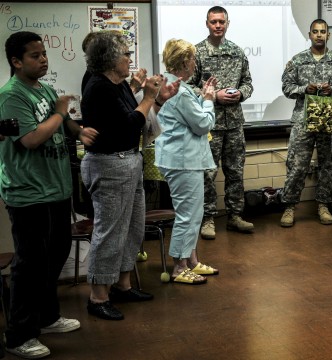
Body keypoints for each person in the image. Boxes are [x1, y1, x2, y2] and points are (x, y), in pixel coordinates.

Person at [0, 31, 97, 359]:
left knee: (54, 256)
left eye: (44, 54)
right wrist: (58, 113)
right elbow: (30, 139)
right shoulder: (11, 96)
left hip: (55, 188)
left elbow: (62, 123)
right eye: (34, 55)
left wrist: (77, 128)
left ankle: (46, 317)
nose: (43, 59)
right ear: (16, 61)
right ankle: (18, 335)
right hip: (28, 193)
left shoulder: (44, 89)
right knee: (29, 264)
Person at [81, 32, 176, 320]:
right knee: (110, 231)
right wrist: (149, 96)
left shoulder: (119, 83)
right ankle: (98, 297)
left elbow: (139, 118)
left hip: (129, 161)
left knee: (133, 227)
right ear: (110, 59)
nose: (129, 59)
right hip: (109, 165)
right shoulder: (98, 87)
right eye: (125, 54)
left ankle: (123, 284)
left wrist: (156, 101)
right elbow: (128, 124)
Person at [279, 19, 332, 227]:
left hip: (329, 120)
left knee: (328, 164)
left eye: (323, 32)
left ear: (328, 35)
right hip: (303, 121)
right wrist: (305, 89)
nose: (319, 35)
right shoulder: (298, 60)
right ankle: (289, 206)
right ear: (309, 34)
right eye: (315, 31)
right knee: (296, 165)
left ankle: (324, 205)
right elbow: (286, 88)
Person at [188, 6, 255, 239]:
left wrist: (241, 94)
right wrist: (213, 96)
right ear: (207, 23)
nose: (218, 25)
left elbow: (248, 82)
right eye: (213, 22)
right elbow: (187, 86)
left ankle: (235, 216)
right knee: (207, 173)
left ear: (228, 23)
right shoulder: (196, 53)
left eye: (221, 22)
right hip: (209, 125)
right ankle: (207, 218)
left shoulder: (237, 52)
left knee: (235, 171)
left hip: (235, 123)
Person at [156, 39, 218, 285]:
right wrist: (209, 99)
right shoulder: (179, 91)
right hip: (182, 160)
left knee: (195, 213)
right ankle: (179, 267)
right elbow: (202, 125)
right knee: (187, 215)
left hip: (184, 158)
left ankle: (191, 260)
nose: (195, 62)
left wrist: (202, 98)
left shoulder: (171, 84)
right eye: (192, 58)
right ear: (184, 61)